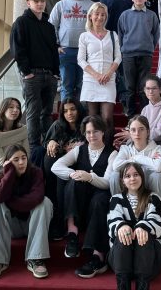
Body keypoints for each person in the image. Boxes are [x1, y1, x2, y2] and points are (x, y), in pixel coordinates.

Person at [51, 115, 117, 279]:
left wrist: (89, 177)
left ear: (103, 132)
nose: (91, 135)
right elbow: (56, 166)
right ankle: (72, 235)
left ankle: (97, 256)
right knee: (74, 183)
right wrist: (73, 174)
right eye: (88, 132)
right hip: (80, 200)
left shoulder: (112, 153)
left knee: (99, 201)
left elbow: (107, 182)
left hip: (99, 197)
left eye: (95, 131)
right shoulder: (79, 150)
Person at [0, 144, 53, 280]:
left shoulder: (36, 172)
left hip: (31, 225)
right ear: (8, 162)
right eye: (16, 159)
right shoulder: (0, 175)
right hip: (11, 227)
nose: (21, 162)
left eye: (24, 158)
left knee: (45, 202)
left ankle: (35, 259)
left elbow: (37, 197)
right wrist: (9, 173)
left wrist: (10, 200)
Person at [9, 0, 59, 151]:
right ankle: (34, 147)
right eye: (36, 1)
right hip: (32, 75)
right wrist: (26, 72)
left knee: (47, 113)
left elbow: (53, 51)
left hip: (49, 75)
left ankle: (49, 145)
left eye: (42, 1)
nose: (40, 4)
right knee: (33, 112)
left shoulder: (49, 26)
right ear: (28, 3)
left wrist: (56, 73)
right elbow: (17, 49)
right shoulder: (21, 22)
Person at [34, 98, 87, 240]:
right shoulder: (58, 125)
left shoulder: (86, 124)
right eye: (65, 111)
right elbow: (46, 142)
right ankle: (56, 216)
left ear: (79, 110)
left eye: (73, 109)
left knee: (59, 172)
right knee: (50, 157)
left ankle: (61, 221)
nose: (69, 113)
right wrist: (51, 142)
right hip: (60, 168)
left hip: (80, 164)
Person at [107, 162, 161, 290]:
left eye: (136, 175)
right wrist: (122, 226)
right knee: (123, 233)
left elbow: (157, 224)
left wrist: (142, 227)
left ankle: (142, 285)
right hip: (121, 262)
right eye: (127, 176)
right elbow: (112, 222)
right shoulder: (116, 199)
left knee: (143, 233)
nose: (132, 178)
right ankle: (123, 285)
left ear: (142, 177)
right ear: (122, 181)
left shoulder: (153, 197)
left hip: (149, 262)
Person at [110, 115, 161, 237]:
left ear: (148, 131)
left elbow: (157, 166)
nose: (137, 133)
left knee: (157, 177)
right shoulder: (125, 149)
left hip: (148, 185)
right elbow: (116, 166)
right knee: (114, 176)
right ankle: (119, 214)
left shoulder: (157, 148)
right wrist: (148, 161)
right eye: (133, 130)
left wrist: (136, 158)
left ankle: (158, 219)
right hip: (130, 185)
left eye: (141, 129)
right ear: (129, 132)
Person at [78, 2, 121, 141]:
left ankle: (108, 147)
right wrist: (96, 75)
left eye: (103, 15)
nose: (100, 17)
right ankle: (93, 146)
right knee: (92, 117)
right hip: (91, 80)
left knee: (107, 117)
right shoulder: (84, 36)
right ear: (90, 16)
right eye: (97, 14)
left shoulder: (113, 35)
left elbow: (118, 57)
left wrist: (109, 73)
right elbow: (81, 60)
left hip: (109, 79)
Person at [50, 0, 94, 100]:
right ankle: (66, 112)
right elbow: (51, 26)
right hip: (65, 51)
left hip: (86, 52)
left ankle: (81, 113)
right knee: (66, 86)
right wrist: (56, 45)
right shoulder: (61, 5)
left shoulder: (92, 5)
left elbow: (97, 27)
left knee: (83, 86)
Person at [118, 0, 159, 117]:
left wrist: (149, 48)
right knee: (129, 86)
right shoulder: (125, 15)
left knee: (144, 86)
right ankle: (130, 115)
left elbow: (156, 34)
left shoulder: (152, 15)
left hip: (146, 54)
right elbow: (120, 34)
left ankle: (144, 115)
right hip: (128, 55)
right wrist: (124, 49)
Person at [114, 75, 161, 162]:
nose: (150, 91)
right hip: (144, 144)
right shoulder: (145, 109)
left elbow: (158, 135)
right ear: (144, 90)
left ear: (160, 89)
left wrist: (131, 136)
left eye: (154, 88)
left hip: (160, 147)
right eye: (148, 88)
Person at [101, 0, 133, 107]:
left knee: (124, 72)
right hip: (108, 40)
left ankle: (125, 101)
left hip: (126, 40)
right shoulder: (104, 0)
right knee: (109, 69)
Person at [0, 97, 29, 167]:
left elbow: (26, 154)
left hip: (24, 165)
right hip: (5, 168)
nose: (15, 110)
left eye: (18, 108)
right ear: (3, 110)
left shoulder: (23, 129)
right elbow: (1, 161)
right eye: (11, 107)